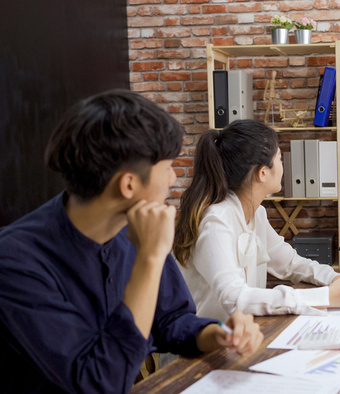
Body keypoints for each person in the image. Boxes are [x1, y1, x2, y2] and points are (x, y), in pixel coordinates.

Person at [0, 90, 263, 393]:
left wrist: (216, 333)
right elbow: (99, 383)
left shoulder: (136, 227)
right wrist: (150, 258)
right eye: (167, 167)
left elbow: (172, 320)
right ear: (128, 184)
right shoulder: (16, 261)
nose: (173, 179)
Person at [173, 119, 340, 321]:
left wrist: (336, 279)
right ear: (263, 173)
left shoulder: (256, 214)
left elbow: (290, 263)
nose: (283, 166)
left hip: (241, 338)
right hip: (202, 350)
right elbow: (234, 298)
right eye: (280, 159)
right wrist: (327, 296)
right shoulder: (216, 221)